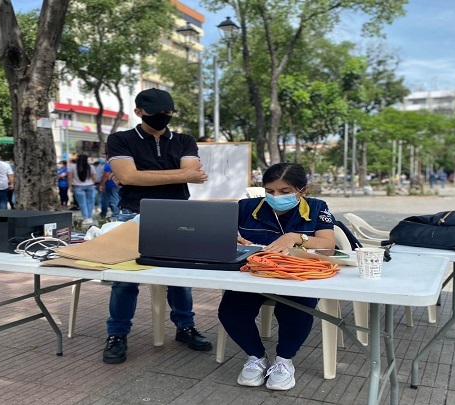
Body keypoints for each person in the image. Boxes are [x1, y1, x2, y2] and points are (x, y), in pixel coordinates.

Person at [103, 88, 210, 365]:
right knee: (125, 280)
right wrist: (181, 174)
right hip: (134, 214)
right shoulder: (120, 139)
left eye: (168, 113)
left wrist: (138, 176)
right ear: (138, 112)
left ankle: (185, 327)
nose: (163, 118)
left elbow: (193, 174)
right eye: (156, 114)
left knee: (180, 279)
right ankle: (117, 334)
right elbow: (128, 177)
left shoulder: (184, 139)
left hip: (179, 215)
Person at [218, 163, 335, 391]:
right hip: (254, 275)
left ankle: (283, 361)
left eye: (284, 191)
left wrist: (296, 237)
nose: (276, 197)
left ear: (303, 191)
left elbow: (328, 245)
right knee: (231, 311)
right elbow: (219, 231)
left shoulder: (317, 207)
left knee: (295, 310)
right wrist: (231, 238)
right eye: (270, 191)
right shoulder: (246, 207)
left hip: (296, 276)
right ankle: (256, 357)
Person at [69, 154, 97, 225]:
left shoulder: (72, 166)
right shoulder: (91, 167)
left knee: (82, 203)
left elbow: (70, 177)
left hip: (77, 186)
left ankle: (86, 218)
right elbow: (94, 177)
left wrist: (70, 187)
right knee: (90, 202)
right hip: (89, 185)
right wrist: (93, 184)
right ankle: (89, 217)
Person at [98, 154, 120, 219]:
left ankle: (115, 214)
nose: (102, 158)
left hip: (110, 185)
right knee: (107, 200)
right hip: (112, 184)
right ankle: (105, 213)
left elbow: (106, 175)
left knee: (113, 200)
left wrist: (101, 184)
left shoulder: (108, 165)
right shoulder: (114, 164)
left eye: (103, 157)